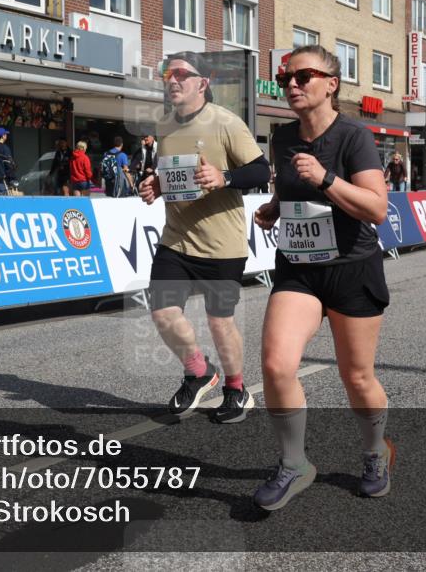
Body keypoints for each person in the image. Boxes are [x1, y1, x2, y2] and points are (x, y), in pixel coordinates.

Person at [252, 44, 392, 510]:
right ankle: (294, 464)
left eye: (303, 76)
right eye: (285, 78)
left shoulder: (354, 136)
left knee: (358, 377)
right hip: (298, 268)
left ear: (331, 84)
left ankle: (375, 452)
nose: (291, 85)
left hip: (351, 268)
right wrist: (275, 208)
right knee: (276, 365)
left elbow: (376, 208)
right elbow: (289, 189)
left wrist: (326, 179)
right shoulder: (281, 137)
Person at [138, 51, 271, 424]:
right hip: (176, 240)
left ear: (203, 83)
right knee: (163, 312)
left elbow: (262, 171)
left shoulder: (226, 123)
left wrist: (224, 178)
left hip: (220, 245)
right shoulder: (164, 125)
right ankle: (198, 372)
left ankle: (236, 388)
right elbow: (171, 174)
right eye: (168, 73)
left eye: (182, 73)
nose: (173, 79)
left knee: (219, 322)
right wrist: (155, 185)